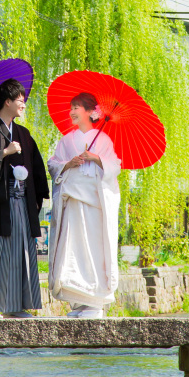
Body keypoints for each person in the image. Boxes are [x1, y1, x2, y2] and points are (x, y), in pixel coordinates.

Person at [0, 78, 49, 317]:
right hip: (0, 204)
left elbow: (37, 169)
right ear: (7, 102)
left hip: (22, 203)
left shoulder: (23, 134)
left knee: (20, 253)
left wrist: (36, 197)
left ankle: (16, 306)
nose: (23, 104)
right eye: (20, 100)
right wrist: (4, 152)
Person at [48, 91, 122, 318]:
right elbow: (53, 165)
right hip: (72, 201)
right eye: (71, 107)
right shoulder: (66, 140)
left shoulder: (104, 140)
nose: (71, 112)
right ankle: (79, 303)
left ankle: (95, 303)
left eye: (76, 107)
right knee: (72, 248)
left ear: (91, 112)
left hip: (94, 204)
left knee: (93, 249)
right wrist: (68, 163)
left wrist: (96, 158)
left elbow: (114, 167)